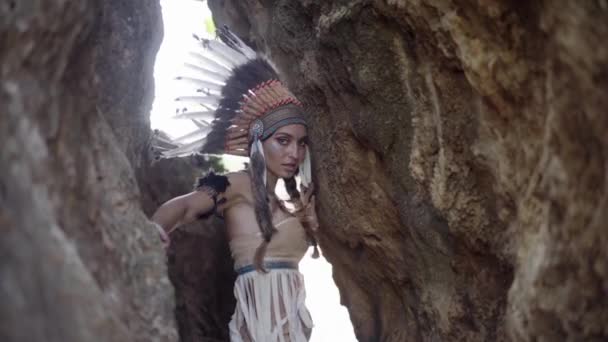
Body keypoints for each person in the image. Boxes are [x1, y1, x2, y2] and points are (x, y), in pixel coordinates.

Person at [150, 28, 319, 342]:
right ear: (258, 142)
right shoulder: (235, 184)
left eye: (301, 143)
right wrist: (150, 237)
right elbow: (184, 206)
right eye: (283, 141)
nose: (294, 153)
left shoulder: (286, 201)